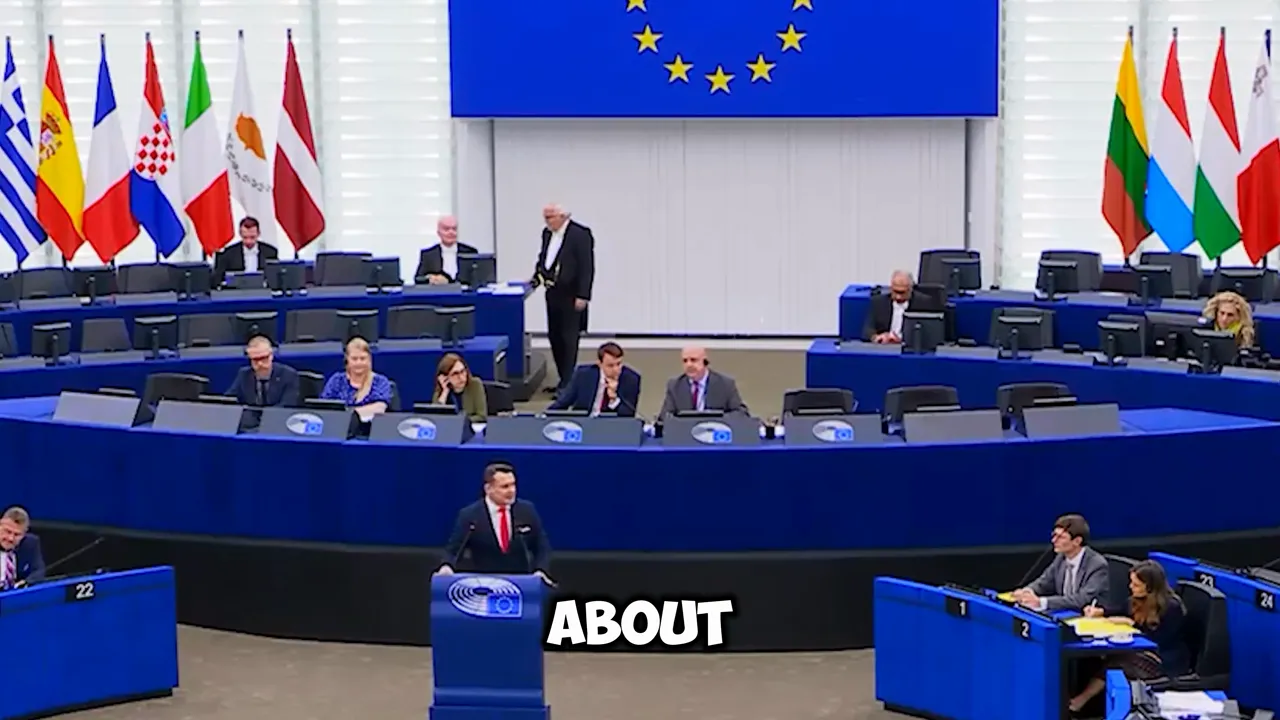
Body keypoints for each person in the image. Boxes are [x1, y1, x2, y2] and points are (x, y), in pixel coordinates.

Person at [1068, 560, 1190, 712]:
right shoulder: (1136, 600)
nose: (1131, 587)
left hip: (1162, 658)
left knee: (1117, 664)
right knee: (1097, 660)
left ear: (1150, 587)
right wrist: (1101, 612)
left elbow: (1160, 639)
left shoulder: (1171, 607)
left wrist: (1132, 625)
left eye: (1136, 585)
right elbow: (1120, 610)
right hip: (1139, 652)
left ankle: (1081, 701)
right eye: (1131, 583)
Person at [435, 463, 551, 581]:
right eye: (505, 486)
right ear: (488, 489)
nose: (512, 491)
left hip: (521, 584)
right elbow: (453, 550)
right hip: (483, 584)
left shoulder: (526, 511)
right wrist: (447, 567)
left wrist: (540, 570)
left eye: (513, 485)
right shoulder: (470, 516)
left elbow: (541, 547)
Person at [531, 204, 595, 392]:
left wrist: (583, 295)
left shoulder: (580, 234)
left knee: (569, 339)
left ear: (563, 216)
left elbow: (587, 267)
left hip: (572, 295)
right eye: (545, 217)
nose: (547, 221)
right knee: (555, 337)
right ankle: (563, 380)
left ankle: (568, 385)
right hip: (552, 292)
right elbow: (544, 258)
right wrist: (536, 278)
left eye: (550, 217)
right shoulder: (547, 234)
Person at [1010, 514, 1109, 612]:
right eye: (1054, 535)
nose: (1054, 541)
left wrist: (1041, 602)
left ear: (1077, 541)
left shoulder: (1097, 565)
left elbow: (1081, 599)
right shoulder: (1061, 558)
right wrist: (1027, 592)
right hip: (1064, 613)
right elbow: (1044, 582)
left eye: (1061, 537)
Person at [549, 341, 642, 417]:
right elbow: (563, 402)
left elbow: (628, 415)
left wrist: (613, 398)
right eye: (610, 366)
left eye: (618, 364)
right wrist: (543, 418)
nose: (616, 369)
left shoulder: (631, 379)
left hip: (612, 428)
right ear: (600, 364)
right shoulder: (583, 375)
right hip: (585, 423)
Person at [657, 345, 748, 417]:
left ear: (705, 362)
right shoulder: (675, 386)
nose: (689, 365)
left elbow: (740, 414)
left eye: (693, 360)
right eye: (685, 361)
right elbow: (665, 418)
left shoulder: (725, 384)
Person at [320, 337, 394, 420]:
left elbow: (379, 408)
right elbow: (324, 407)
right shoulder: (336, 380)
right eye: (354, 359)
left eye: (363, 358)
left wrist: (347, 414)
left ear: (369, 359)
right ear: (347, 360)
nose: (359, 363)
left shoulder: (380, 381)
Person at [225, 336, 300, 407]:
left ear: (271, 356)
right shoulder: (244, 374)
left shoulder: (288, 375)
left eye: (264, 358)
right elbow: (229, 400)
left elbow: (287, 405)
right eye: (255, 360)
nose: (260, 364)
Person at [862, 271, 928, 344]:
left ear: (911, 289)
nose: (898, 296)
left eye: (902, 292)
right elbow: (867, 330)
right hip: (885, 347)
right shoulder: (878, 303)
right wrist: (877, 337)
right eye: (895, 292)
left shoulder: (923, 303)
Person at [212, 217, 279, 286]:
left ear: (258, 234)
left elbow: (275, 279)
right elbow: (218, 279)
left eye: (252, 237)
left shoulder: (270, 252)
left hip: (263, 292)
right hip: (237, 293)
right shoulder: (229, 253)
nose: (248, 241)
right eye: (245, 237)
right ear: (240, 234)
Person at [415, 215, 478, 284]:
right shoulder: (428, 254)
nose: (451, 232)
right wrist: (430, 278)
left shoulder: (470, 252)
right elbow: (418, 278)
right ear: (438, 232)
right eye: (446, 229)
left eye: (454, 229)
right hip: (439, 293)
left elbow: (478, 278)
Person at [0, 506, 44, 590]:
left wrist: (26, 582)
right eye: (7, 531)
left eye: (17, 534)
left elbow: (38, 571)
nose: (11, 538)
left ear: (24, 533)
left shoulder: (30, 543)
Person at [434, 352, 487, 421]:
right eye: (455, 374)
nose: (461, 377)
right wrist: (444, 393)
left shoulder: (475, 384)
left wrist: (458, 422)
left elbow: (482, 416)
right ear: (445, 377)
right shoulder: (440, 392)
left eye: (463, 371)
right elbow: (435, 418)